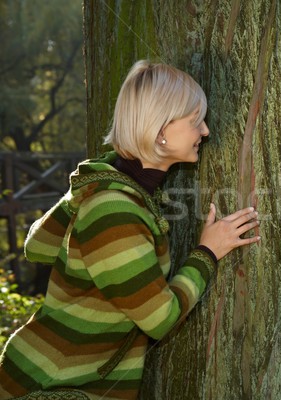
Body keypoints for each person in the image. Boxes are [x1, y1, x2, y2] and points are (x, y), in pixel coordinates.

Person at [0, 60, 261, 400]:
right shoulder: (114, 210)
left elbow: (39, 247)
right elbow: (160, 319)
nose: (206, 131)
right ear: (160, 130)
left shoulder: (116, 190)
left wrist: (94, 178)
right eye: (195, 120)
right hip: (53, 386)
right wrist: (207, 253)